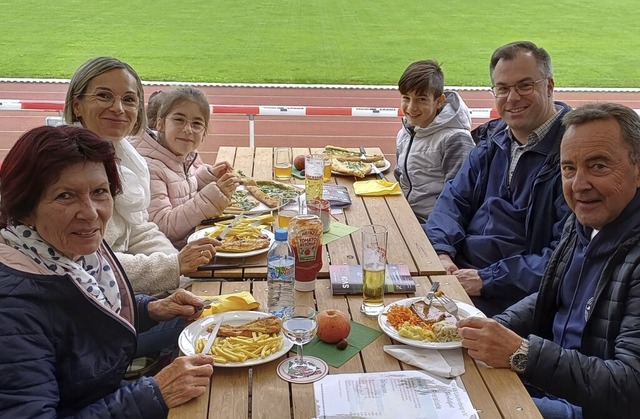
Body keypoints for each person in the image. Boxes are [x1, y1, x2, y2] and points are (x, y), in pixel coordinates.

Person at [0, 125, 215, 417]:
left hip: (108, 391)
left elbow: (87, 313)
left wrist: (152, 309)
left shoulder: (72, 250)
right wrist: (153, 393)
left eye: (100, 192)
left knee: (207, 318)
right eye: (65, 196)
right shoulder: (13, 309)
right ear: (25, 208)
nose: (90, 212)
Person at [458, 102, 640, 418]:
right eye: (569, 168)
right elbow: (553, 298)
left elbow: (630, 385)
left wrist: (522, 353)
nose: (579, 184)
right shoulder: (583, 223)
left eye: (598, 166)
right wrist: (494, 327)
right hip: (547, 382)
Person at [425, 41, 572, 316]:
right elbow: (453, 200)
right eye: (502, 89)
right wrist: (441, 253)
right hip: (459, 274)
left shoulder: (574, 155)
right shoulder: (493, 139)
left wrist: (486, 280)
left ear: (549, 86)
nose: (512, 98)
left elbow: (565, 256)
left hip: (513, 298)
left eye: (525, 86)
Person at [63, 56, 218, 295]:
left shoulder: (126, 158)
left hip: (125, 292)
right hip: (83, 303)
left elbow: (139, 229)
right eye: (104, 96)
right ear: (77, 105)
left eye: (129, 100)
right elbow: (86, 262)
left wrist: (180, 270)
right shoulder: (67, 166)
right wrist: (173, 266)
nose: (118, 108)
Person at [132, 86, 238, 248]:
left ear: (204, 133)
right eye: (179, 119)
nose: (188, 129)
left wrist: (208, 176)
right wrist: (213, 197)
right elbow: (164, 226)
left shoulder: (183, 155)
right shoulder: (150, 166)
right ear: (160, 124)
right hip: (177, 258)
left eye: (196, 124)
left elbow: (182, 190)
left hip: (194, 243)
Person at [393, 59, 475, 223]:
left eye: (421, 99)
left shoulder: (455, 139)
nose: (411, 107)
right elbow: (400, 178)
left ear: (439, 101)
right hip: (404, 214)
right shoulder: (406, 133)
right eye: (406, 98)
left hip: (433, 225)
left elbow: (459, 200)